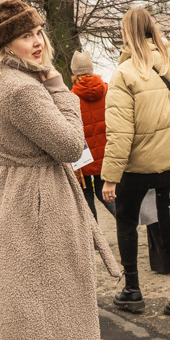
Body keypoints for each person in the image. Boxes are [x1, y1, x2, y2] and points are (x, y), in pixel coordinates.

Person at [0, 0, 119, 340]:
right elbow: (70, 145)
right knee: (61, 292)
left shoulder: (3, 79)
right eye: (25, 36)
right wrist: (59, 86)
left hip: (14, 195)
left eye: (38, 32)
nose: (37, 41)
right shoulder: (24, 88)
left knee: (20, 292)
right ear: (7, 46)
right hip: (40, 196)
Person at [102, 7, 170, 316]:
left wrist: (110, 177)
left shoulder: (124, 73)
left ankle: (132, 290)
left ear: (126, 34)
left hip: (137, 166)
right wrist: (165, 126)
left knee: (127, 221)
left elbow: (120, 131)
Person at [70, 50, 114, 218]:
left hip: (83, 158)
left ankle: (94, 241)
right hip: (106, 155)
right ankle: (127, 223)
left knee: (86, 199)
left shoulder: (71, 97)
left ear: (74, 72)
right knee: (107, 195)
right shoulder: (108, 91)